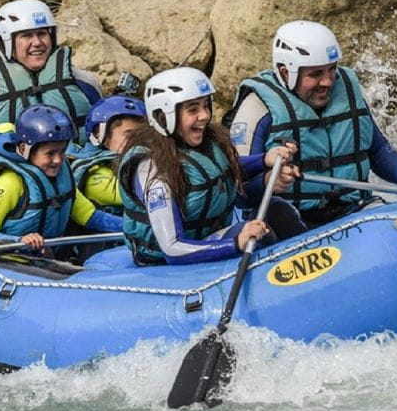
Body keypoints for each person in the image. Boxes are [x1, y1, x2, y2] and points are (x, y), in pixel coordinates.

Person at [227, 20, 397, 228]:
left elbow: (378, 149)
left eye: (331, 69)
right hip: (290, 221)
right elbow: (238, 192)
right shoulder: (257, 107)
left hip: (351, 209)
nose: (327, 81)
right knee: (279, 216)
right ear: (285, 72)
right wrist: (267, 181)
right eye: (316, 74)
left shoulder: (346, 91)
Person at [119, 67, 305, 265]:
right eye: (193, 109)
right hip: (170, 261)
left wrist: (264, 160)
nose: (205, 115)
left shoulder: (206, 142)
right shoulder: (151, 169)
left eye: (206, 105)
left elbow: (222, 170)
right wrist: (235, 243)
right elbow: (172, 249)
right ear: (163, 115)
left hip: (209, 238)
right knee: (259, 237)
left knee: (278, 210)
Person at [0, 104, 121, 251]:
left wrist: (132, 227)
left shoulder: (62, 176)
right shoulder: (9, 183)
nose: (58, 160)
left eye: (62, 152)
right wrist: (19, 241)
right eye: (50, 153)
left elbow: (88, 216)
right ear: (24, 149)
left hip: (47, 255)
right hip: (12, 259)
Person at [0, 0, 101, 145]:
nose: (37, 42)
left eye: (42, 34)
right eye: (26, 36)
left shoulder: (85, 82)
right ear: (5, 41)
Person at [70, 94, 147, 215]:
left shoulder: (142, 160)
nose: (137, 141)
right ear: (100, 136)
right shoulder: (92, 175)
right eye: (129, 135)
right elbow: (144, 192)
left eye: (141, 135)